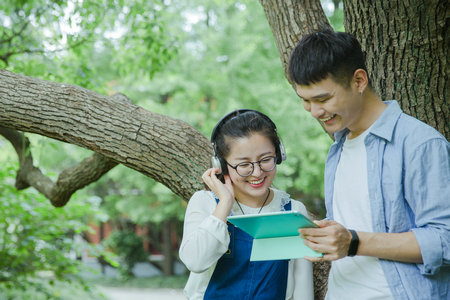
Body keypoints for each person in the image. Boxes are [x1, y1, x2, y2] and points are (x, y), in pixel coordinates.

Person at [288, 29, 450, 299]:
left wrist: (354, 242)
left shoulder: (420, 144)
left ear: (359, 81)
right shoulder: (337, 149)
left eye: (323, 99)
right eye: (305, 101)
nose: (315, 112)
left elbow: (445, 240)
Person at [179, 109, 314, 300]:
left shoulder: (293, 210)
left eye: (266, 160)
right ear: (221, 165)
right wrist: (225, 204)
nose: (257, 172)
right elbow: (195, 261)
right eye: (244, 165)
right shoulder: (205, 203)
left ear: (279, 155)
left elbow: (302, 288)